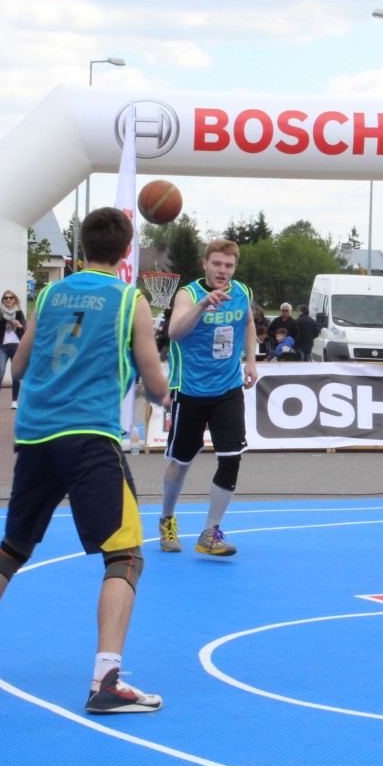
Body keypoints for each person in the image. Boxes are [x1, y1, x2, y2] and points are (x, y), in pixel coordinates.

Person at [0, 206, 170, 713]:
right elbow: (153, 381)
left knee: (12, 547)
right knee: (125, 556)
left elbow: (19, 365)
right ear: (127, 250)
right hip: (88, 436)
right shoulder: (131, 300)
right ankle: (107, 681)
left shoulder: (51, 294)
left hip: (37, 434)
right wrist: (169, 396)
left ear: (83, 247)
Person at [160, 239, 258, 557]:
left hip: (228, 388)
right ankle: (167, 518)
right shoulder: (188, 295)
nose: (222, 270)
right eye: (217, 264)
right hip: (190, 389)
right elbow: (174, 332)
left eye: (229, 265)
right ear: (205, 264)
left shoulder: (242, 292)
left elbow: (248, 323)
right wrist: (203, 305)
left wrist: (251, 361)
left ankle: (210, 532)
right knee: (181, 462)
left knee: (231, 457)